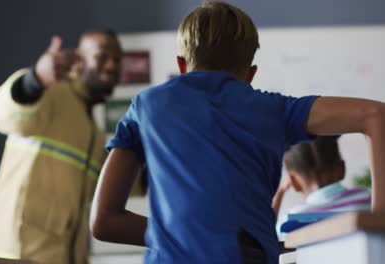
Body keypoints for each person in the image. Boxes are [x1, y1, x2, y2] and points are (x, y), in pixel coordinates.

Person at [89, 2, 385, 264]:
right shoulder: (274, 109)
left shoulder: (147, 106)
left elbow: (104, 221)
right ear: (250, 74)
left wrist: (180, 234)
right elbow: (376, 114)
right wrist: (380, 218)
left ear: (182, 65)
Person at [0, 30, 124, 264]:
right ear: (78, 59)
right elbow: (3, 115)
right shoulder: (51, 92)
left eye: (117, 60)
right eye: (102, 56)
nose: (111, 65)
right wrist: (35, 80)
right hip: (19, 254)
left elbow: (109, 182)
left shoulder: (92, 128)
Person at [272, 136, 371, 239]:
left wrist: (280, 191)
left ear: (294, 182)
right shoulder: (363, 199)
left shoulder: (293, 220)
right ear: (341, 168)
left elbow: (268, 232)